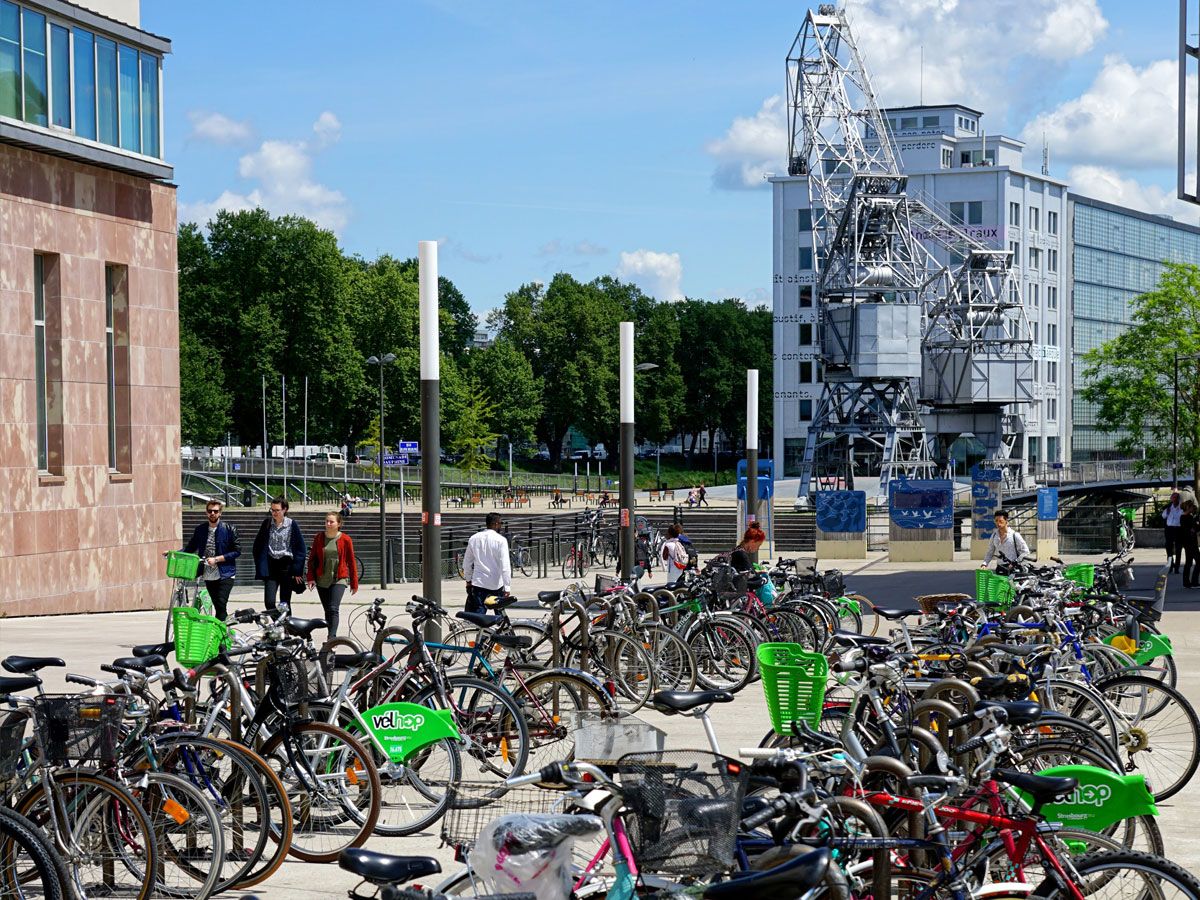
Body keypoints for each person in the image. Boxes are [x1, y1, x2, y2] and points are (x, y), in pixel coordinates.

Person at [182, 500, 240, 621]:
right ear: (206, 513)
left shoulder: (229, 529)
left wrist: (217, 559)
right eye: (210, 511)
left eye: (215, 511)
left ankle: (221, 636)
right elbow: (190, 547)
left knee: (220, 604)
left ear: (220, 513)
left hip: (226, 573)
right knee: (219, 608)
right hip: (208, 574)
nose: (212, 513)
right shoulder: (201, 530)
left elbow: (237, 551)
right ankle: (224, 631)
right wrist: (174, 553)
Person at [307, 511, 359, 636]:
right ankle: (331, 636)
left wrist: (354, 582)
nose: (328, 524)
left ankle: (332, 638)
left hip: (339, 578)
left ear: (339, 524)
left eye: (331, 521)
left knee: (333, 609)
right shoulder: (319, 538)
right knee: (327, 610)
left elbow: (351, 562)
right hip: (322, 578)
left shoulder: (346, 539)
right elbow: (312, 560)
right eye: (327, 521)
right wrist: (310, 578)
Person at [252, 496, 307, 612]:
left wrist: (297, 571)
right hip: (271, 566)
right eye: (272, 510)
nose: (274, 513)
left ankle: (287, 629)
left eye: (277, 510)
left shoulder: (292, 524)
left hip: (286, 566)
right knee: (269, 602)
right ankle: (279, 625)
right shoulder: (267, 524)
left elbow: (301, 549)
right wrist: (260, 563)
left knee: (285, 603)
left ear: (284, 509)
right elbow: (257, 545)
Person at [463, 512, 511, 613]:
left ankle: (479, 629)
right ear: (495, 524)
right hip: (496, 583)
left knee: (479, 615)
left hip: (479, 583)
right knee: (500, 614)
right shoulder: (501, 540)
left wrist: (468, 580)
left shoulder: (474, 538)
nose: (501, 525)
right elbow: (505, 566)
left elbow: (467, 562)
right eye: (500, 523)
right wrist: (507, 587)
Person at [1181, 499, 1199, 590]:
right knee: (1197, 562)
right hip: (1191, 543)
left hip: (1188, 542)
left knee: (1188, 563)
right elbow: (1192, 529)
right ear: (1188, 507)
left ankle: (1187, 582)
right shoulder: (1187, 517)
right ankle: (1194, 582)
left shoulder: (1185, 517)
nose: (1193, 508)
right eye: (1192, 507)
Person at [1165, 492, 1184, 574]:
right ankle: (1170, 564)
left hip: (1178, 529)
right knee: (1168, 548)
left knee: (1178, 548)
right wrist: (1167, 512)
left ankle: (1177, 567)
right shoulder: (1169, 507)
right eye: (1173, 498)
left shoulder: (1181, 508)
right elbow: (1163, 516)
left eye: (1176, 498)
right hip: (1169, 529)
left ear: (1178, 499)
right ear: (1171, 499)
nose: (1174, 499)